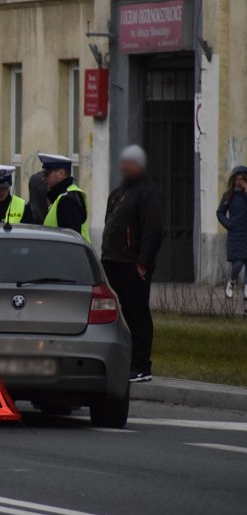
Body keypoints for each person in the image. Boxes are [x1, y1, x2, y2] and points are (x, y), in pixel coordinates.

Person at [101, 144, 164, 383]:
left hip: (132, 265)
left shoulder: (148, 192)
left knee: (137, 314)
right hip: (113, 262)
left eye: (130, 163)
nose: (124, 167)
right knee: (119, 315)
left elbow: (153, 231)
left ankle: (141, 366)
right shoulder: (119, 192)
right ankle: (124, 361)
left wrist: (142, 263)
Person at [38, 153, 90, 242]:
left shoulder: (67, 200)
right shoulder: (62, 197)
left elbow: (70, 242)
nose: (43, 178)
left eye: (47, 173)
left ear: (61, 174)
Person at [217, 165, 247, 300]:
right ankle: (231, 282)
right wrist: (227, 223)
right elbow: (220, 212)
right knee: (238, 263)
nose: (239, 182)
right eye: (237, 179)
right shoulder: (228, 195)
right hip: (236, 233)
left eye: (242, 179)